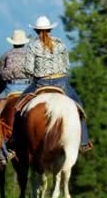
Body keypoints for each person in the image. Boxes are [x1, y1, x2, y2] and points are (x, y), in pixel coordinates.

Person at [19, 15, 93, 152]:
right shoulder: (60, 44)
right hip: (61, 82)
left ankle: (15, 138)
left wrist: (35, 74)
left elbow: (28, 69)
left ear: (36, 31)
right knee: (79, 107)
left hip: (41, 82)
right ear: (50, 30)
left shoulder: (32, 46)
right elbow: (66, 66)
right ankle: (84, 141)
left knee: (19, 106)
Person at [0, 29, 32, 110]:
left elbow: (0, 73)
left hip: (10, 87)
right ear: (24, 42)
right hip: (28, 87)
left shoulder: (6, 55)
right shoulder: (30, 54)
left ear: (12, 42)